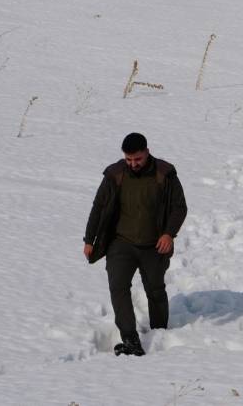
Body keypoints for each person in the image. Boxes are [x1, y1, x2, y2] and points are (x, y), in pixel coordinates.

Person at [83, 133, 187, 357]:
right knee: (118, 288)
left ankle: (159, 332)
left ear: (147, 152)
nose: (133, 164)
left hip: (154, 245)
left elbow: (180, 207)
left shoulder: (164, 173)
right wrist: (89, 239)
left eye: (137, 159)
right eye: (129, 160)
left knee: (155, 288)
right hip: (121, 243)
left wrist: (168, 234)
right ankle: (130, 339)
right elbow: (99, 206)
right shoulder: (115, 174)